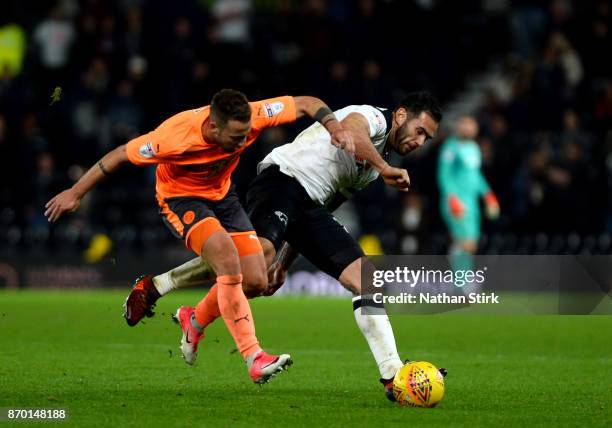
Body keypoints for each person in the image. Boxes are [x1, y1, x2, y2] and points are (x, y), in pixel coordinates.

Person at [124, 91, 443, 400]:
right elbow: (351, 132)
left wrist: (285, 263)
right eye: (419, 131)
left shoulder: (373, 168)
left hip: (311, 205)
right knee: (255, 258)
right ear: (401, 115)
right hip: (281, 181)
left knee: (363, 279)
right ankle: (161, 287)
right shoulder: (374, 119)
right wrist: (386, 169)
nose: (419, 142)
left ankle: (392, 376)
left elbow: (329, 203)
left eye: (426, 139)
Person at [44, 88, 355, 384]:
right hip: (182, 200)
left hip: (223, 197)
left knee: (257, 280)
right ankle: (254, 358)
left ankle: (191, 319)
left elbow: (306, 102)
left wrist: (334, 127)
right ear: (213, 126)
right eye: (236, 137)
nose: (244, 141)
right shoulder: (175, 138)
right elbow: (118, 155)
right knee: (226, 257)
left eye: (246, 133)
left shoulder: (254, 115)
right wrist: (75, 192)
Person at [437, 116, 500, 274]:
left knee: (471, 245)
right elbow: (443, 175)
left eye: (472, 125)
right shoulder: (450, 147)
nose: (468, 128)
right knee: (464, 243)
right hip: (456, 201)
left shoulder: (474, 148)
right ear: (459, 126)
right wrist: (452, 199)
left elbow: (476, 175)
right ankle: (462, 286)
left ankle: (461, 280)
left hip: (472, 203)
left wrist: (488, 195)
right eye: (465, 125)